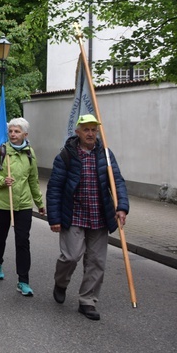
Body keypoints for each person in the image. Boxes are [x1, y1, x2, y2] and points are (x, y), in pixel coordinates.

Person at [46, 114, 129, 321]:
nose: (91, 133)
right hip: (73, 214)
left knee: (96, 261)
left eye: (94, 129)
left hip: (100, 216)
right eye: (86, 129)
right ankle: (61, 282)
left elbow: (117, 182)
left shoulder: (106, 156)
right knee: (71, 256)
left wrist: (122, 207)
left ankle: (87, 301)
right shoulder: (66, 156)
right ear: (78, 132)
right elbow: (54, 188)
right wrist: (54, 218)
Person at [0, 117, 45, 297]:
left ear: (25, 134)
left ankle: (23, 280)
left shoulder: (30, 154)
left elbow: (33, 180)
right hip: (2, 204)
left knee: (22, 241)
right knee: (0, 235)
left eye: (17, 131)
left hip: (24, 204)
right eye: (11, 131)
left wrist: (40, 203)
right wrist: (2, 181)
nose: (13, 134)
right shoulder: (0, 152)